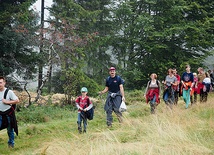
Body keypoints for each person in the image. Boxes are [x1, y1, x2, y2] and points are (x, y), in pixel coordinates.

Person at [0, 76, 19, 148]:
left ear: (4, 83)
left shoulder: (9, 92)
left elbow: (17, 100)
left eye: (0, 83)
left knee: (10, 130)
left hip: (8, 114)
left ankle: (11, 144)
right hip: (0, 114)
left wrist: (7, 102)